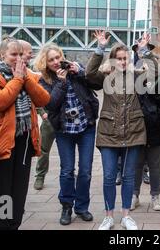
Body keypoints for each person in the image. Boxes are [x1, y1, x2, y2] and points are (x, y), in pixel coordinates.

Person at [85, 31, 156, 230]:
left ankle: (126, 215)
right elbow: (89, 74)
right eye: (119, 59)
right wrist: (99, 49)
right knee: (109, 176)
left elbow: (154, 73)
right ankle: (108, 216)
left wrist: (144, 51)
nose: (123, 62)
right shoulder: (105, 76)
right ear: (113, 60)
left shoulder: (137, 76)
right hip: (109, 132)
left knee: (128, 176)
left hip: (133, 131)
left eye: (125, 58)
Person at [0, 37, 50, 230]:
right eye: (13, 54)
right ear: (2, 55)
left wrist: (24, 77)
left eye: (21, 54)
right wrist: (18, 79)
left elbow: (43, 99)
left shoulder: (28, 75)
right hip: (0, 143)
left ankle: (12, 225)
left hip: (24, 141)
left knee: (17, 193)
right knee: (2, 194)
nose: (18, 58)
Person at [34, 43, 99, 226]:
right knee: (67, 170)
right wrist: (61, 83)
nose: (56, 62)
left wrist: (79, 72)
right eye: (51, 60)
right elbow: (51, 104)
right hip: (64, 130)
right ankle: (66, 206)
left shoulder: (74, 70)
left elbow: (94, 84)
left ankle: (82, 207)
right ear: (45, 63)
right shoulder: (44, 81)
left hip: (86, 127)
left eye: (58, 57)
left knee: (85, 171)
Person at [130, 41, 160, 212]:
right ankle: (134, 195)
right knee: (137, 165)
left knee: (155, 166)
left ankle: (155, 196)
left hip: (155, 126)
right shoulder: (131, 76)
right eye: (139, 54)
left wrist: (153, 92)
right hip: (137, 127)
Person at [33, 106, 55, 190]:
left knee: (67, 149)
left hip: (64, 119)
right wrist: (42, 113)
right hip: (49, 121)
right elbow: (35, 98)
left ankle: (70, 173)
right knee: (44, 149)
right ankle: (40, 176)